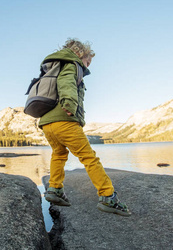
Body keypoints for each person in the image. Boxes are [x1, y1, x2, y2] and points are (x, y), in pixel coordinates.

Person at [39, 38, 131, 216]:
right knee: (89, 158)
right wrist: (70, 105)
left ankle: (55, 189)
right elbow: (67, 83)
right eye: (88, 62)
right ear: (81, 54)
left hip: (48, 124)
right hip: (64, 120)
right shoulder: (72, 64)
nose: (89, 66)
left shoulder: (55, 65)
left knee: (58, 154)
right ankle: (108, 197)